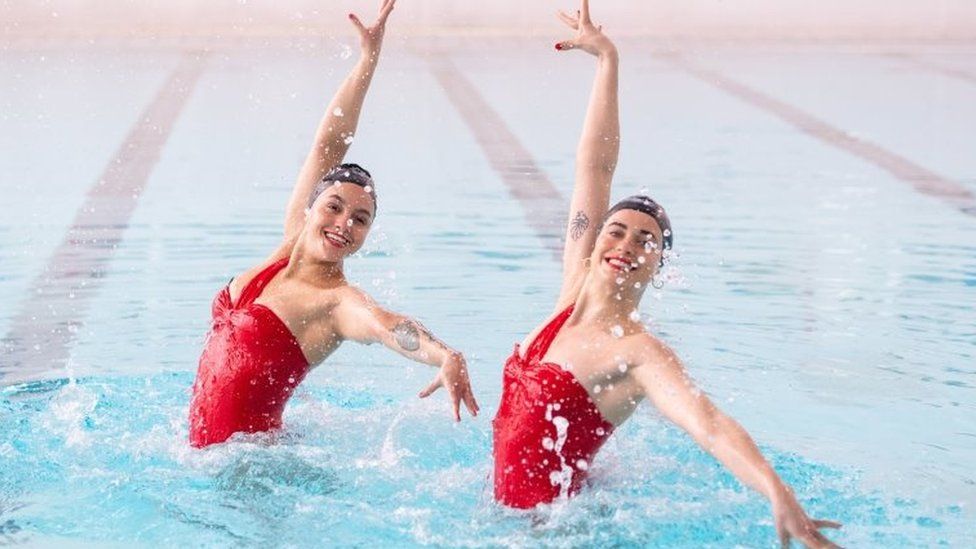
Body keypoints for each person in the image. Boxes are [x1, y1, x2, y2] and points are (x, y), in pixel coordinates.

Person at [492, 2, 839, 547]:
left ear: (658, 266)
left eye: (646, 241)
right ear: (594, 241)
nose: (627, 244)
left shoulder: (638, 353)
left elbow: (709, 425)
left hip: (546, 537)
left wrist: (778, 494)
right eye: (618, 231)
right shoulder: (571, 291)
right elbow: (595, 166)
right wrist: (607, 59)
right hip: (504, 522)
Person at [189, 0, 478, 448]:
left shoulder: (336, 302)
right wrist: (368, 60)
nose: (344, 223)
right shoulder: (290, 240)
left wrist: (446, 354)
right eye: (335, 207)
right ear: (310, 207)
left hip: (248, 474)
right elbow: (330, 141)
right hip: (204, 458)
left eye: (361, 220)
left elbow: (388, 326)